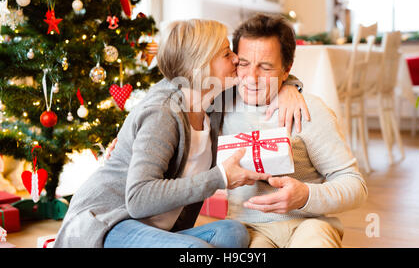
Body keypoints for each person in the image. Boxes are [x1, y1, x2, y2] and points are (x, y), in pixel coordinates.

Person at [53, 18, 309, 248]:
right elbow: (138, 199)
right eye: (226, 53)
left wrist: (289, 87)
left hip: (154, 229)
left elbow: (264, 75)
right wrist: (219, 177)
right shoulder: (163, 113)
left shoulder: (214, 99)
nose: (236, 60)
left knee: (233, 233)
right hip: (108, 223)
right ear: (199, 65)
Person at [216, 14, 368, 248]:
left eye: (266, 67)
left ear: (286, 70)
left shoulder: (310, 110)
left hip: (308, 223)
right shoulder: (219, 106)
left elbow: (355, 185)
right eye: (244, 64)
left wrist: (306, 195)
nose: (252, 78)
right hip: (250, 229)